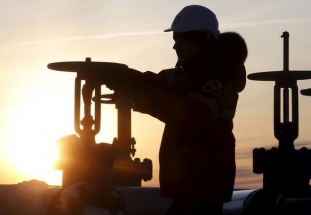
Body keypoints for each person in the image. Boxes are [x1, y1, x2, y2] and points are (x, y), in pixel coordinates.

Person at [102, 5, 248, 215]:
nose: (175, 47)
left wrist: (135, 92)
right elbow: (155, 82)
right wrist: (120, 77)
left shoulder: (215, 79)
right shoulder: (191, 74)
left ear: (198, 40)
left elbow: (186, 115)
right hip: (194, 188)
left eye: (180, 40)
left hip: (203, 186)